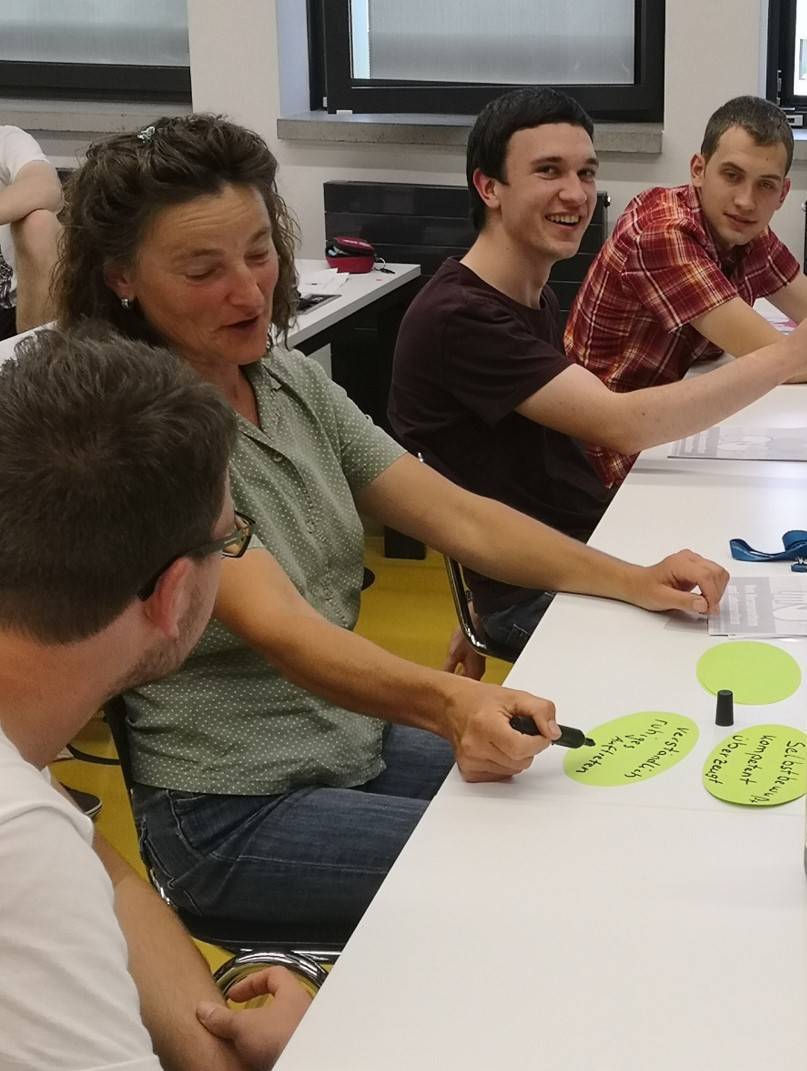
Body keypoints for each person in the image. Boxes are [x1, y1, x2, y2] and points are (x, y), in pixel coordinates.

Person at [55, 113, 728, 943]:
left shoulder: (286, 378)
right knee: (553, 869)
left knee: (584, 805)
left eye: (260, 252)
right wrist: (453, 703)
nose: (248, 290)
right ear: (121, 277)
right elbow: (287, 632)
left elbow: (454, 513)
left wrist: (629, 575)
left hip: (347, 741)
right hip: (234, 808)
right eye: (203, 269)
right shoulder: (141, 432)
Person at [388, 87, 807, 662]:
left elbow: (515, 474)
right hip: (548, 584)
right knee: (751, 638)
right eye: (548, 171)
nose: (576, 193)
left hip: (582, 544)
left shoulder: (527, 293)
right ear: (489, 187)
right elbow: (620, 425)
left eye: (586, 172)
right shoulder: (457, 318)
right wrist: (787, 356)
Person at [0, 325, 310, 1070]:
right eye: (229, 541)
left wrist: (218, 1053)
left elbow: (102, 871)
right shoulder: (19, 851)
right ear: (173, 594)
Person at [565, 94, 807, 488]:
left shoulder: (746, 230)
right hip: (607, 458)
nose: (746, 201)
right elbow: (784, 361)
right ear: (699, 169)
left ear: (782, 193)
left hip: (671, 423)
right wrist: (789, 354)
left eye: (765, 185)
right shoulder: (663, 231)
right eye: (731, 175)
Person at [0, 125, 62, 338]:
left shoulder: (6, 140)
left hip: (14, 313)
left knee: (39, 223)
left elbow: (46, 187)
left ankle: (39, 361)